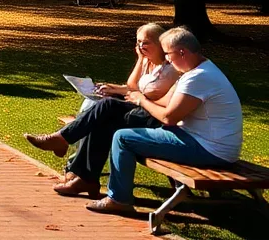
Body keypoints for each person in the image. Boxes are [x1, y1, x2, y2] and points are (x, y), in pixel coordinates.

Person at [87, 26, 243, 217]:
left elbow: (169, 118)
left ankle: (118, 199)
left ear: (182, 52)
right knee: (131, 129)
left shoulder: (198, 77)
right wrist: (134, 95)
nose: (167, 59)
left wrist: (141, 100)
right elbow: (168, 103)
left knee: (122, 138)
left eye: (168, 54)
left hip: (210, 149)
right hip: (206, 142)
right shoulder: (201, 69)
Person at [24, 23, 178, 197]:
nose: (141, 46)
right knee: (102, 115)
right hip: (138, 110)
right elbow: (132, 86)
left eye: (146, 42)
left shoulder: (169, 70)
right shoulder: (148, 63)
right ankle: (84, 177)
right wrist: (138, 62)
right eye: (138, 42)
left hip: (152, 118)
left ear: (161, 44)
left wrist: (123, 92)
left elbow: (144, 95)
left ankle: (66, 148)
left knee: (106, 108)